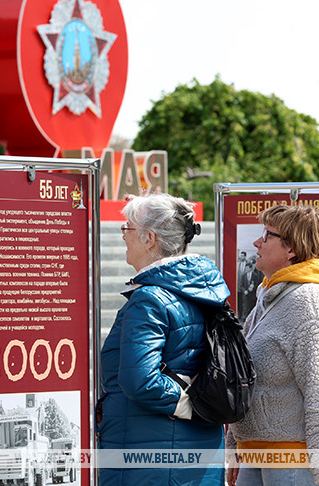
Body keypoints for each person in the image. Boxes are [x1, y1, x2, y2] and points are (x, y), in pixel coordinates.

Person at [97, 193, 229, 485]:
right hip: (196, 452)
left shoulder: (150, 299)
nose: (123, 236)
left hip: (150, 459)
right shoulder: (204, 290)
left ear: (150, 239)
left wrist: (193, 404)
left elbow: (140, 381)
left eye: (127, 228)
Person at [226, 204, 319, 486]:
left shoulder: (310, 302)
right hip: (256, 456)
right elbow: (250, 381)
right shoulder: (271, 296)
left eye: (267, 235)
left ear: (292, 248)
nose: (257, 242)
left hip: (293, 462)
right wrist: (235, 446)